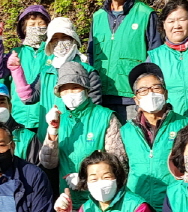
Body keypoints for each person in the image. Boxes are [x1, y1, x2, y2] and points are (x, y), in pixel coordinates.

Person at [87, 0, 163, 122]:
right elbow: (91, 56)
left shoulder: (145, 14)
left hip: (133, 100)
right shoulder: (97, 17)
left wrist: (147, 96)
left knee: (133, 138)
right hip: (101, 99)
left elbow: (156, 57)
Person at [38, 62, 125, 193]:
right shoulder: (61, 119)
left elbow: (118, 161)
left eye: (75, 88)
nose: (70, 93)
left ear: (86, 89)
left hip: (100, 196)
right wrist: (52, 130)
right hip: (68, 196)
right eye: (64, 90)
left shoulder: (105, 117)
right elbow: (48, 163)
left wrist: (86, 179)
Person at [120, 63, 188, 212]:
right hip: (138, 206)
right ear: (136, 99)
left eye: (156, 88)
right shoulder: (126, 131)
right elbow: (121, 169)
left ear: (165, 93)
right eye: (143, 90)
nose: (150, 93)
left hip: (175, 205)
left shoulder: (186, 125)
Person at [10, 16, 101, 127]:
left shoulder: (88, 71)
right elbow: (28, 98)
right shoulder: (46, 72)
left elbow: (94, 109)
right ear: (50, 43)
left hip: (77, 133)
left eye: (64, 37)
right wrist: (16, 70)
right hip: (47, 133)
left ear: (73, 38)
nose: (60, 42)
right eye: (55, 39)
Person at [2, 5, 51, 132]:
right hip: (18, 116)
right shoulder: (15, 53)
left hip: (44, 117)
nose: (37, 27)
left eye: (41, 24)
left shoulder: (52, 53)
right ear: (24, 29)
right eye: (32, 24)